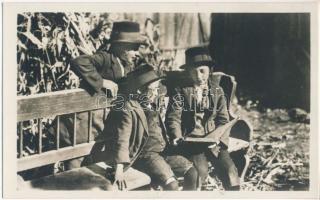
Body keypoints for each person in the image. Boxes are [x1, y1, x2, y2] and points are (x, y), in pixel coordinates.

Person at [48, 21, 147, 169]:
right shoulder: (106, 58)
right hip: (81, 124)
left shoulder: (125, 64)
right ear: (121, 46)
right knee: (75, 162)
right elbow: (78, 62)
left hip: (98, 123)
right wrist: (102, 82)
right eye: (133, 48)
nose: (137, 53)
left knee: (89, 161)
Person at [103, 65, 198, 191]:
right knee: (172, 185)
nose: (156, 93)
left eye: (157, 89)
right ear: (139, 91)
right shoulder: (129, 108)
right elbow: (122, 139)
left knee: (192, 173)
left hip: (163, 152)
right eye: (152, 90)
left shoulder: (150, 102)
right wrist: (119, 169)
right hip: (145, 155)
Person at [165, 46, 240, 190]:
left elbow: (223, 120)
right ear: (188, 72)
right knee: (200, 173)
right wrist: (177, 136)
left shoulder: (217, 91)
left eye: (202, 71)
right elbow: (174, 118)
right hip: (192, 142)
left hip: (214, 141)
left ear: (210, 71)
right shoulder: (181, 91)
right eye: (194, 72)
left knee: (230, 171)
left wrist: (219, 141)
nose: (199, 76)